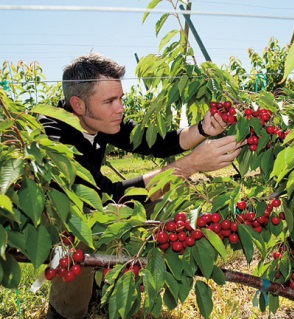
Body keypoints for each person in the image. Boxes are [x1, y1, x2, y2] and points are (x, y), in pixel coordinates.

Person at [40, 52, 245, 319]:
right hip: (54, 213)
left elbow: (152, 142)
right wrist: (190, 165)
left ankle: (108, 276)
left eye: (121, 98)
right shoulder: (54, 139)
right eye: (111, 101)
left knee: (165, 201)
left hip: (95, 202)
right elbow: (106, 198)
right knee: (80, 232)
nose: (121, 108)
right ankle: (64, 311)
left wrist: (203, 129)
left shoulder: (98, 119)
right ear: (78, 105)